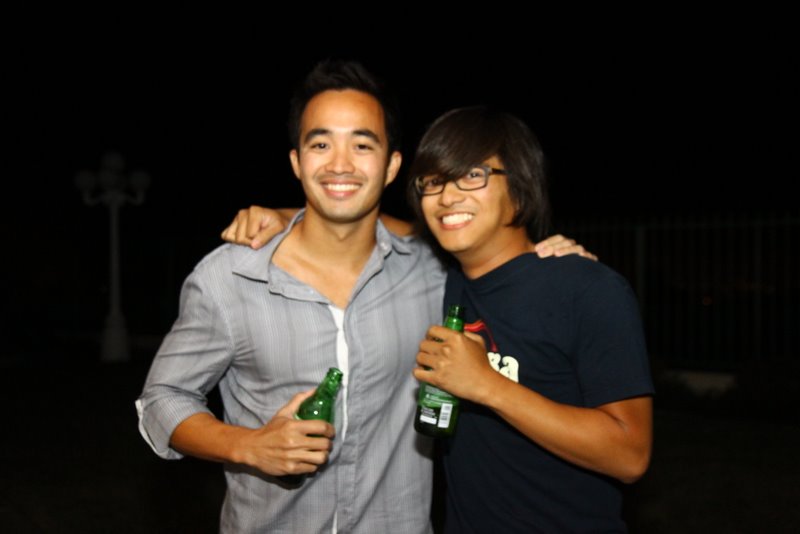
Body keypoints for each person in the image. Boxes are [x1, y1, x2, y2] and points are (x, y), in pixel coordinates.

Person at [137, 59, 592, 533]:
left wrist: (548, 256)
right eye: (320, 144)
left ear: (392, 165)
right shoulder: (230, 277)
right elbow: (162, 399)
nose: (340, 164)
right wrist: (247, 445)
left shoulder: (430, 271)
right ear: (296, 162)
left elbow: (494, 255)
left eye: (362, 144)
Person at [408, 106, 654, 532]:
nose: (446, 197)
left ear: (520, 187)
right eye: (433, 181)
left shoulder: (587, 289)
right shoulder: (448, 283)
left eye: (472, 175)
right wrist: (289, 218)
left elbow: (630, 455)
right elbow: (359, 229)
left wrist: (487, 384)